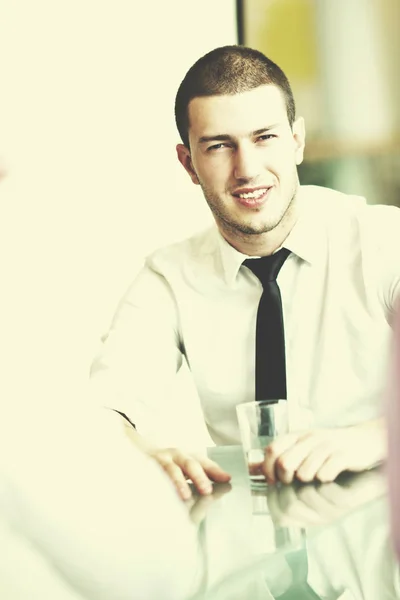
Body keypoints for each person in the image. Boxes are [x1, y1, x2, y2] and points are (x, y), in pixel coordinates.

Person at [90, 44, 397, 499]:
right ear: (188, 162)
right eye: (218, 146)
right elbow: (102, 411)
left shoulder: (383, 239)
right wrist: (141, 451)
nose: (247, 169)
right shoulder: (169, 278)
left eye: (264, 137)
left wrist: (377, 437)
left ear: (297, 140)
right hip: (250, 549)